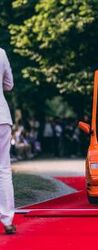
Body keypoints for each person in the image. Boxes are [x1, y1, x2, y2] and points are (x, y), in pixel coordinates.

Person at [0, 48, 16, 234]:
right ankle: (7, 220)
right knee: (3, 169)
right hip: (2, 117)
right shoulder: (1, 53)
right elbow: (9, 85)